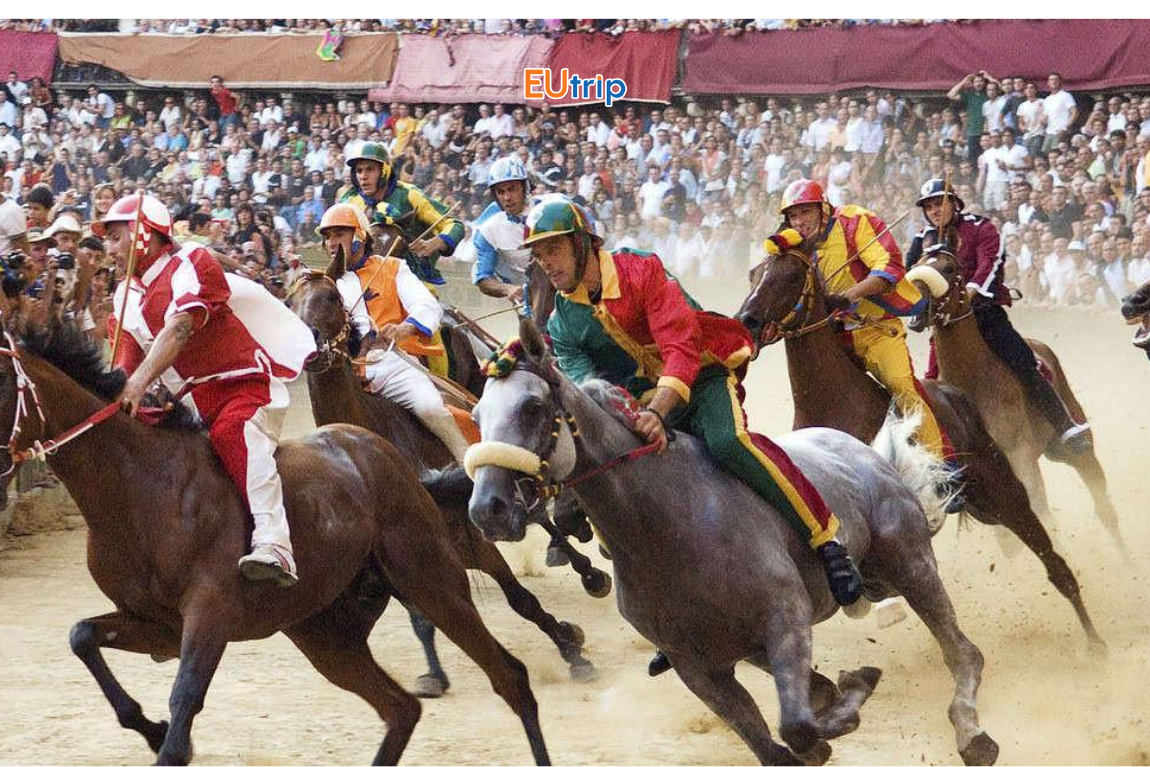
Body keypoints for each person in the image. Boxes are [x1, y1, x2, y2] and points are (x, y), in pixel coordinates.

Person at [525, 196, 863, 676]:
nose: (546, 263)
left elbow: (680, 347)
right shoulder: (562, 320)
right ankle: (675, 615)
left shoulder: (643, 272)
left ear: (581, 245)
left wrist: (659, 412)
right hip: (642, 407)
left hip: (701, 379)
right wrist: (632, 421)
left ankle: (827, 541)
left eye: (553, 250)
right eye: (538, 255)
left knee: (729, 445)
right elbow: (590, 391)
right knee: (616, 485)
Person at [94, 193, 315, 586]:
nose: (108, 249)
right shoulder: (123, 296)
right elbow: (123, 365)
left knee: (235, 431)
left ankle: (276, 544)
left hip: (243, 388)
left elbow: (179, 328)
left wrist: (138, 383)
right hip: (190, 404)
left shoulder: (191, 262)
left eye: (115, 237)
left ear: (144, 234)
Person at [775, 179, 958, 481]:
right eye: (793, 216)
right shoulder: (792, 243)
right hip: (831, 339)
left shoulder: (855, 221)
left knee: (902, 385)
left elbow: (888, 268)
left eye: (805, 212)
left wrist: (850, 295)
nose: (799, 221)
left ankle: (940, 464)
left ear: (822, 209)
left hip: (875, 331)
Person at [906, 178, 1092, 453]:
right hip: (945, 323)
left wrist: (968, 295)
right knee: (932, 379)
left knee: (1024, 361)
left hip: (984, 313)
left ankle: (1065, 426)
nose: (935, 210)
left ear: (955, 203)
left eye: (940, 203)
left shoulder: (981, 227)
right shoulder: (922, 240)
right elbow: (910, 275)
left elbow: (990, 264)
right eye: (929, 206)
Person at [316, 203, 471, 463]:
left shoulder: (394, 267)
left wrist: (404, 328)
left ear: (360, 237)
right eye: (328, 237)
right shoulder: (326, 285)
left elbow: (426, 305)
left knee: (431, 407)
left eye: (340, 234)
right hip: (347, 373)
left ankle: (472, 466)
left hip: (393, 364)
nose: (332, 242)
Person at [339, 141, 465, 287]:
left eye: (370, 169)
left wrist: (436, 243)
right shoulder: (349, 203)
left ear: (384, 171)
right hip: (363, 279)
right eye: (359, 171)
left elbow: (454, 224)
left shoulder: (409, 194)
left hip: (412, 279)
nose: (363, 176)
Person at [472, 156, 533, 304]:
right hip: (528, 301)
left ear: (525, 188)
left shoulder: (549, 209)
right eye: (501, 192)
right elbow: (483, 278)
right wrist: (508, 289)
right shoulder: (488, 230)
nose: (507, 197)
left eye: (512, 189)